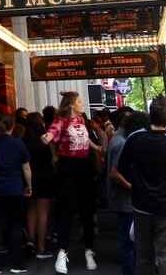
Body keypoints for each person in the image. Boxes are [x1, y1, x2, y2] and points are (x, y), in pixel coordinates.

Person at [116, 96, 166, 275]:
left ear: (150, 114)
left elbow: (122, 168)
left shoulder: (134, 139)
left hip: (141, 206)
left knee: (143, 255)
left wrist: (137, 185)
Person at [45, 92, 105, 274]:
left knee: (87, 211)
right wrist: (49, 142)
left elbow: (85, 139)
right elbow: (52, 133)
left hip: (84, 168)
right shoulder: (60, 121)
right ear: (71, 104)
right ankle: (62, 252)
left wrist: (96, 147)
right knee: (66, 211)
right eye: (79, 101)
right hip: (67, 169)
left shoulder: (81, 120)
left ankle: (89, 250)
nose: (82, 104)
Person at [0, 115, 33, 275]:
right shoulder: (18, 143)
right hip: (14, 189)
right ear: (12, 127)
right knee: (15, 225)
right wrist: (29, 186)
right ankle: (17, 264)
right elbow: (26, 168)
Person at [110, 110, 150, 275]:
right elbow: (115, 173)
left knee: (128, 239)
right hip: (126, 201)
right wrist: (133, 187)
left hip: (125, 200)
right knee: (128, 241)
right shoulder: (123, 143)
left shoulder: (120, 140)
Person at [23, 112, 56, 260]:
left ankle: (30, 241)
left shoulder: (24, 140)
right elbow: (54, 158)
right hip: (45, 176)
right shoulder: (45, 140)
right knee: (43, 213)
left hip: (29, 177)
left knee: (31, 209)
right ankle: (41, 247)